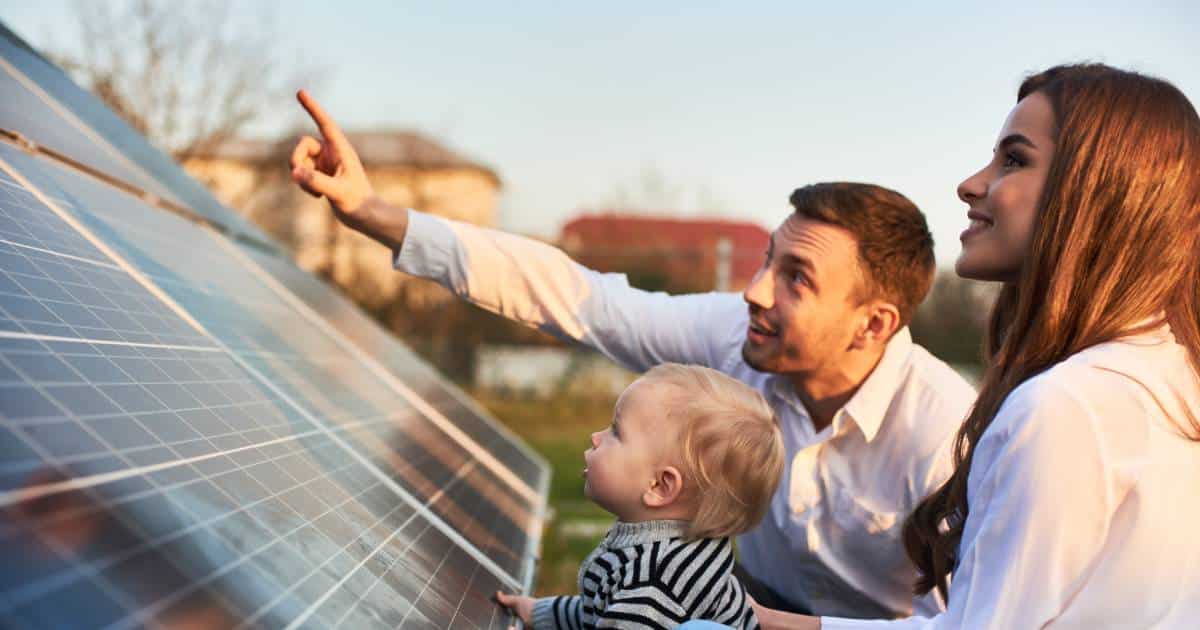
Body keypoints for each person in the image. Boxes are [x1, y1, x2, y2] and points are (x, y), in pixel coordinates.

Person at [288, 91, 977, 619]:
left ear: (872, 324)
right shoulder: (737, 338)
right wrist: (372, 212)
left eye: (796, 277)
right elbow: (576, 297)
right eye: (768, 260)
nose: (756, 290)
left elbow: (975, 620)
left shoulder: (947, 433)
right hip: (737, 605)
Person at [721, 63, 1200, 630]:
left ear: (1095, 193)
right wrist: (774, 623)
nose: (971, 184)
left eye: (1014, 160)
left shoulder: (1067, 407)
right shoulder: (1168, 373)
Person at [494, 363, 784, 629]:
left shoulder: (653, 587)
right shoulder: (661, 549)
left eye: (616, 432)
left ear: (659, 486)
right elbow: (599, 609)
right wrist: (538, 612)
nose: (596, 437)